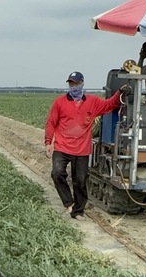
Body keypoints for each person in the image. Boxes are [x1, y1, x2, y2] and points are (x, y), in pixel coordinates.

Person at [44, 71, 124, 221]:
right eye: (71, 84)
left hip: (81, 149)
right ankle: (69, 203)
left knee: (80, 180)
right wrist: (48, 142)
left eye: (76, 84)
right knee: (57, 173)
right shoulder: (59, 102)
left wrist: (120, 92)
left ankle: (78, 211)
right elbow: (51, 123)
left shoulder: (92, 102)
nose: (73, 87)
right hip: (62, 147)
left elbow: (110, 105)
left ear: (82, 84)